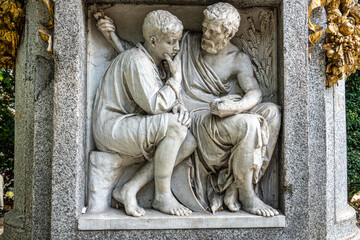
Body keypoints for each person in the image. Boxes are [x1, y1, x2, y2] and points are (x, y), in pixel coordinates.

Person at [96, 2, 281, 217]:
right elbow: (146, 57)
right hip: (192, 116)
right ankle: (248, 196)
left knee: (271, 114)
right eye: (205, 27)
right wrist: (114, 39)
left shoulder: (238, 60)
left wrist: (235, 107)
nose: (206, 33)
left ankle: (235, 187)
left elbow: (254, 93)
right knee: (249, 124)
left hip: (219, 114)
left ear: (228, 34)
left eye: (213, 31)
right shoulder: (185, 42)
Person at [92, 10, 196, 217]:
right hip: (113, 126)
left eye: (177, 41)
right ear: (153, 41)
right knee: (175, 126)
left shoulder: (150, 62)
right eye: (171, 42)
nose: (176, 47)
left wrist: (177, 106)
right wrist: (175, 80)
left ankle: (129, 188)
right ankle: (162, 196)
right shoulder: (137, 61)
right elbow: (154, 104)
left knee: (189, 141)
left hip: (129, 124)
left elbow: (158, 99)